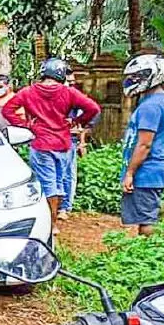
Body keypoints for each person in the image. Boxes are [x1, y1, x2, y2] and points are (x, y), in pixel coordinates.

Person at [2, 58, 101, 234]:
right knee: (59, 181)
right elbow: (93, 109)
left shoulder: (28, 92)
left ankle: (50, 224)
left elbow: (7, 110)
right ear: (61, 75)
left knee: (47, 184)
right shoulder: (69, 93)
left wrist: (25, 125)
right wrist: (77, 121)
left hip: (41, 143)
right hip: (63, 142)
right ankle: (54, 220)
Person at [119, 54, 164, 236]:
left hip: (147, 171)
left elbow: (144, 145)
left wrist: (130, 173)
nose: (132, 80)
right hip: (152, 170)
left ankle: (149, 253)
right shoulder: (157, 101)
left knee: (147, 220)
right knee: (145, 216)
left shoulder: (152, 106)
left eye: (138, 76)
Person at [58, 70, 100, 220]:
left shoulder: (76, 97)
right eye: (67, 81)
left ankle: (64, 207)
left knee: (67, 174)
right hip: (51, 139)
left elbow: (93, 112)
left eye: (72, 82)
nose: (70, 85)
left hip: (69, 139)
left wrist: (81, 137)